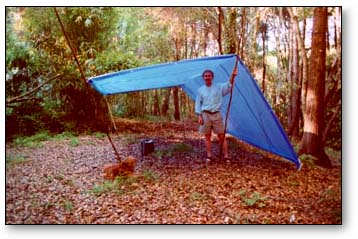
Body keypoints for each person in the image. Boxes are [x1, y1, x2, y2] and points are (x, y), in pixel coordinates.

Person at [195, 69, 237, 162]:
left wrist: (233, 76)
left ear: (212, 77)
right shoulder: (200, 90)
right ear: (203, 78)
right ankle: (209, 155)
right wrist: (199, 116)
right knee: (207, 135)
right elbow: (198, 103)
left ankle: (226, 156)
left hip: (216, 114)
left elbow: (228, 85)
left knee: (221, 135)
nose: (207, 77)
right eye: (205, 76)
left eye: (209, 76)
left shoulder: (218, 87)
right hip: (205, 114)